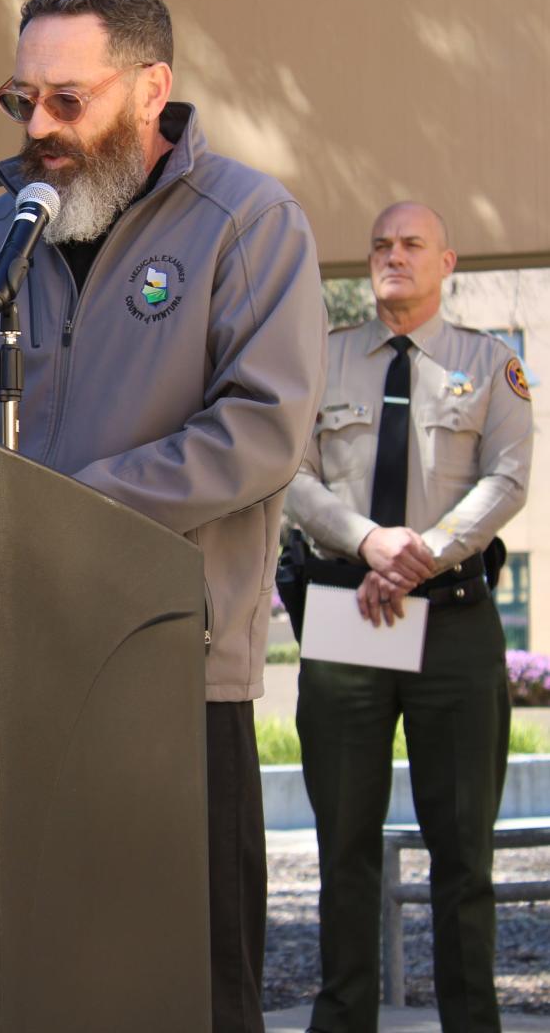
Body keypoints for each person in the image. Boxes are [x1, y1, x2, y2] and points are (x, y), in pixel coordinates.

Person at [0, 0, 327, 1032]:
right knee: (37, 980)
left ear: (149, 89)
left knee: (189, 991)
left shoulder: (248, 223)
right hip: (6, 674)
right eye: (19, 99)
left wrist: (61, 511)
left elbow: (260, 430)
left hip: (172, 677)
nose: (38, 126)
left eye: (66, 100)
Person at [286, 201, 533, 1033]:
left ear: (447, 262)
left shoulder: (490, 364)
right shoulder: (322, 362)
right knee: (343, 849)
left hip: (454, 618)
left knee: (463, 855)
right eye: (382, 245)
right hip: (347, 614)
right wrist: (368, 543)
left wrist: (416, 553)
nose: (394, 256)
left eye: (412, 244)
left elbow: (507, 479)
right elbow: (290, 472)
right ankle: (343, 1021)